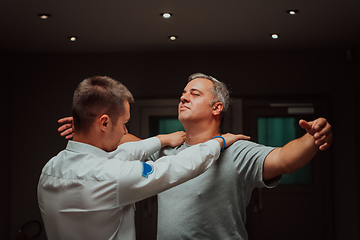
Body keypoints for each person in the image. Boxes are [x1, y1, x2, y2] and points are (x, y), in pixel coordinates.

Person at [58, 73, 332, 240]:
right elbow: (126, 141)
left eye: (194, 93)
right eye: (183, 93)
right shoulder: (168, 155)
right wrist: (91, 125)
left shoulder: (235, 150)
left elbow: (285, 158)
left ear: (217, 107)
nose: (183, 97)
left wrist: (312, 138)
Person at [38, 76, 247, 240]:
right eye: (123, 124)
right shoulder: (111, 176)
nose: (124, 132)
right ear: (103, 123)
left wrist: (162, 139)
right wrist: (218, 142)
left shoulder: (50, 168)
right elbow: (177, 166)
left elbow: (123, 153)